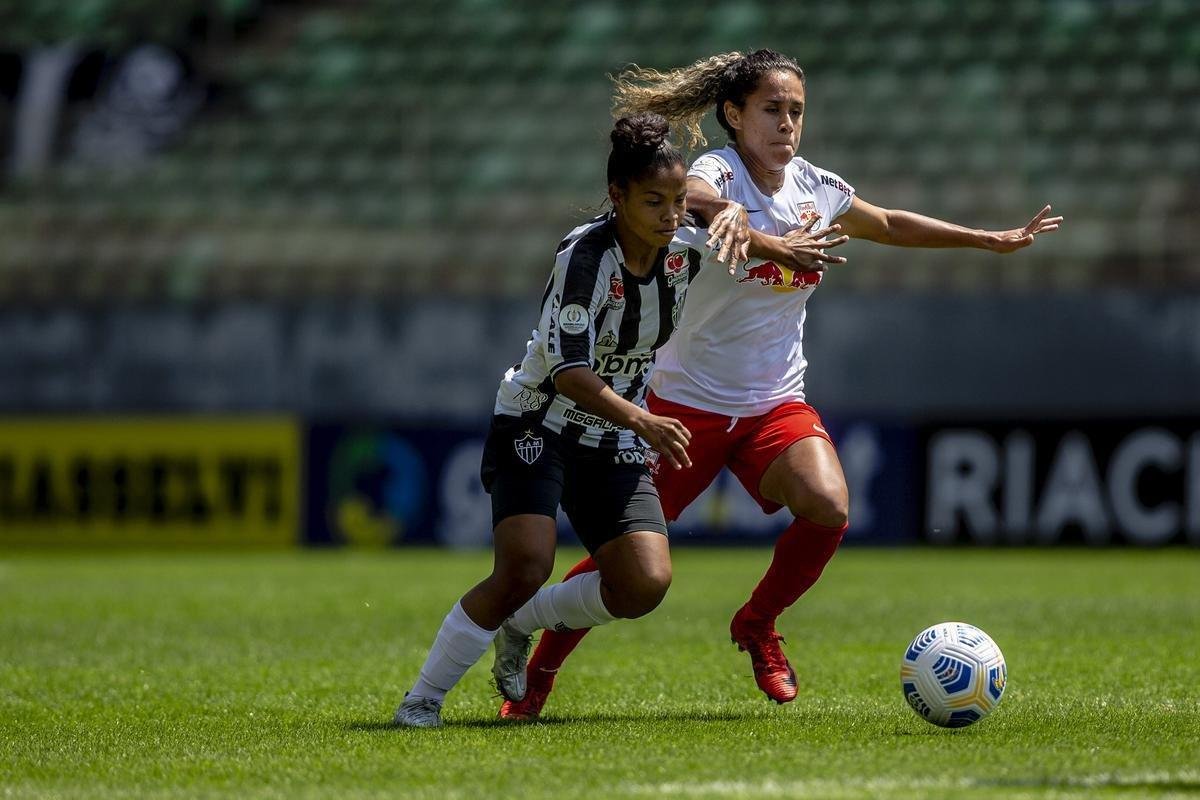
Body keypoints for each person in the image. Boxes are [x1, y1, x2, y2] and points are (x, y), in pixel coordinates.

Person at [500, 49, 1063, 719]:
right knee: (625, 565)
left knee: (828, 503)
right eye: (772, 109)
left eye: (796, 110)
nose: (787, 124)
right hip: (682, 404)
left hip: (773, 403)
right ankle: (538, 672)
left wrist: (984, 239)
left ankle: (757, 623)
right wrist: (727, 215)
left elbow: (884, 223)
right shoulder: (719, 174)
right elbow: (695, 194)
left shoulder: (816, 189)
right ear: (734, 115)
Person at [394, 113, 714, 727]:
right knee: (525, 565)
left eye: (678, 201)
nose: (672, 215)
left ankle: (524, 620)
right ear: (617, 196)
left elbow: (733, 229)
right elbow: (569, 373)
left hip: (611, 433)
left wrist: (778, 244)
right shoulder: (585, 256)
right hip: (538, 421)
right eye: (654, 201)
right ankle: (423, 699)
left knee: (644, 585)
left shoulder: (684, 253)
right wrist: (644, 421)